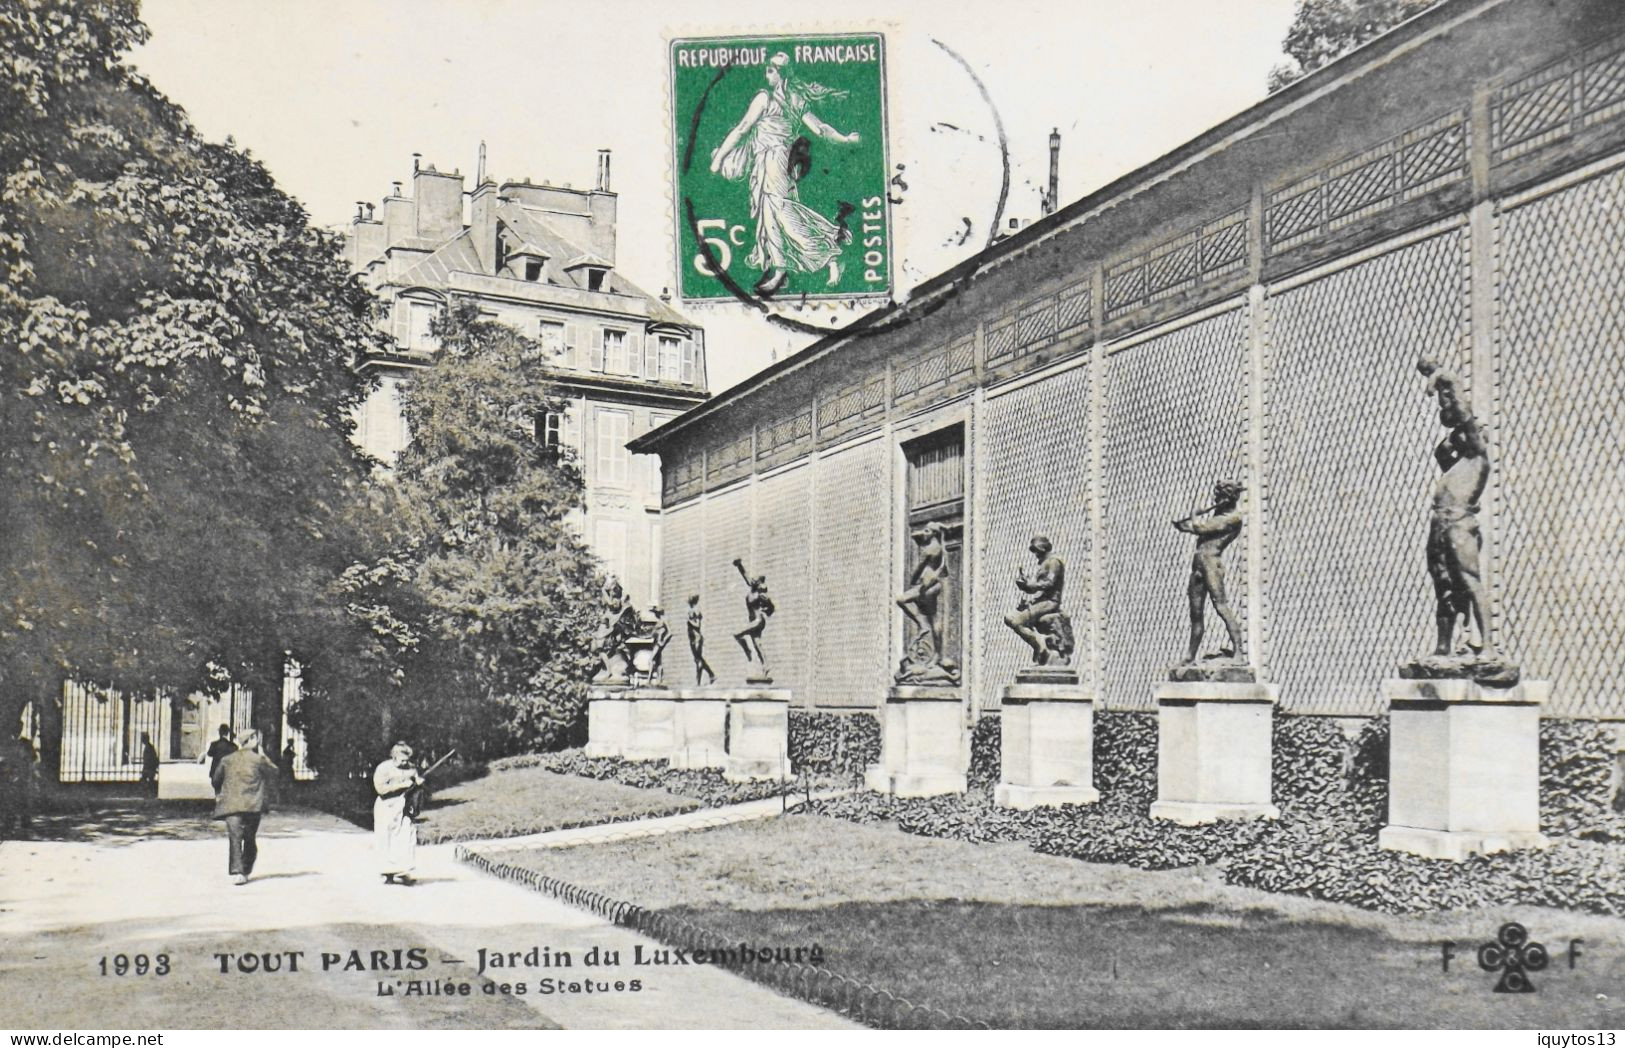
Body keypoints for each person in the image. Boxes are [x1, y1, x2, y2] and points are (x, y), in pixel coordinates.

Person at [709, 52, 862, 295]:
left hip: (774, 160)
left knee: (783, 214)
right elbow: (821, 129)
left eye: (770, 70)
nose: (766, 75)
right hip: (772, 162)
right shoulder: (796, 99)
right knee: (771, 215)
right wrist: (844, 139)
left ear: (780, 73)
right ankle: (781, 269)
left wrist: (718, 158)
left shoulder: (764, 98)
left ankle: (831, 254)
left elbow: (742, 129)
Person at [1172, 480, 1247, 666]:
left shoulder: (1234, 517)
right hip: (1198, 565)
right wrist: (1183, 526)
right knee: (1195, 613)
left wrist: (1194, 516)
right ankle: (1190, 655)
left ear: (1229, 497)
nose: (1216, 499)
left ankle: (1239, 652)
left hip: (1211, 565)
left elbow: (1202, 528)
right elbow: (1198, 529)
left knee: (1221, 606)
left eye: (1219, 495)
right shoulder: (1219, 514)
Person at [211, 730, 278, 886]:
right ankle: (245, 870)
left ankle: (238, 872)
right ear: (252, 739)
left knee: (235, 837)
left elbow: (216, 780)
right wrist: (263, 754)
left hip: (231, 805)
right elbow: (275, 772)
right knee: (249, 837)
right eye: (257, 738)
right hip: (252, 805)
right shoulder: (258, 759)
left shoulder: (227, 759)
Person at [1005, 536, 1073, 666]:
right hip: (1040, 601)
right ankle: (1040, 645)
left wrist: (1032, 586)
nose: (1035, 554)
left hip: (1049, 602)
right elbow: (1036, 588)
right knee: (1008, 617)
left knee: (1017, 622)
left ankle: (1039, 647)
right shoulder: (1044, 563)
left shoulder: (1054, 562)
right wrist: (1025, 586)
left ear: (1042, 548)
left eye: (1036, 550)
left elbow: (1049, 583)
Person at [373, 742, 422, 885]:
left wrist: (419, 783)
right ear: (394, 757)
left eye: (407, 760)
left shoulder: (411, 768)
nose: (406, 763)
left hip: (405, 806)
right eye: (402, 760)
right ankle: (388, 873)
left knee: (407, 836)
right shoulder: (383, 768)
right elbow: (380, 789)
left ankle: (405, 872)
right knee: (386, 837)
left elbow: (416, 784)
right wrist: (401, 785)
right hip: (387, 806)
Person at [731, 559, 774, 670]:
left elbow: (771, 607)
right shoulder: (752, 588)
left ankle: (748, 651)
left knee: (737, 634)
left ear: (759, 582)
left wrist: (765, 610)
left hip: (758, 621)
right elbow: (745, 575)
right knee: (757, 644)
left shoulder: (761, 594)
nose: (753, 579)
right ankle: (766, 665)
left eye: (755, 579)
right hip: (753, 621)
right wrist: (739, 565)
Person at [686, 594, 716, 686]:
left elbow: (697, 625)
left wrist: (689, 621)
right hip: (692, 638)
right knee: (697, 660)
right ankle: (708, 676)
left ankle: (708, 676)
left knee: (699, 660)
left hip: (696, 638)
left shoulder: (696, 611)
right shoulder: (690, 611)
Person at [138, 732, 160, 799]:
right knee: (148, 781)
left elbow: (150, 759)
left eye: (142, 739)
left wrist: (147, 768)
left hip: (149, 768)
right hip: (149, 768)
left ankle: (149, 795)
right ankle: (149, 794)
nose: (141, 740)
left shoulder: (149, 747)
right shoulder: (149, 747)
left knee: (147, 781)